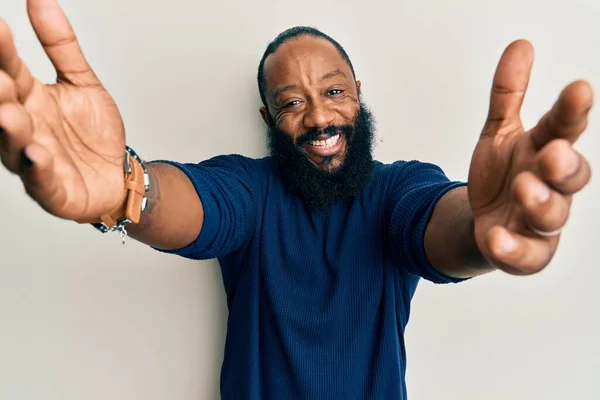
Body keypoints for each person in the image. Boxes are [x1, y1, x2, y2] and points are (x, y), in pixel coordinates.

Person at [0, 1, 593, 399]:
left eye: (334, 92)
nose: (318, 117)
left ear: (357, 95)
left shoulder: (396, 192)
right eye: (290, 103)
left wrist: (484, 225)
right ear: (267, 118)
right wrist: (126, 190)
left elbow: (440, 227)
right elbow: (193, 204)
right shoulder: (251, 190)